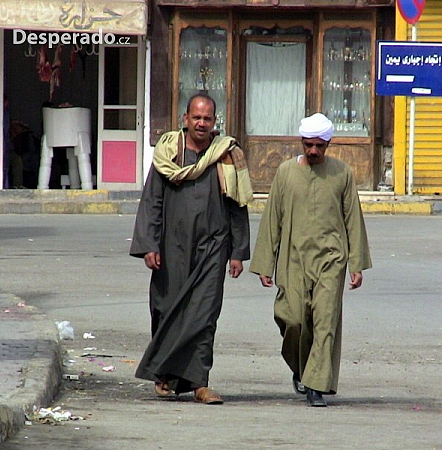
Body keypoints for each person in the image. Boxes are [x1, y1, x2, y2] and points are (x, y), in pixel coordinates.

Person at [130, 93, 252, 405]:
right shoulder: (169, 153)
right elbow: (152, 201)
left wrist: (237, 251)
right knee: (166, 308)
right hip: (172, 246)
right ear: (185, 119)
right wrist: (148, 244)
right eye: (196, 118)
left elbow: (238, 204)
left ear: (215, 122)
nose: (201, 123)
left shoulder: (225, 155)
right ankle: (165, 375)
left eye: (207, 119)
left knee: (205, 314)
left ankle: (200, 383)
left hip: (214, 247)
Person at [249, 112, 372, 407]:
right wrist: (266, 263)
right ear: (301, 143)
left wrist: (356, 263)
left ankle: (316, 386)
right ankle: (301, 368)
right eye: (308, 145)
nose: (313, 151)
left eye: (319, 145)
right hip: (293, 259)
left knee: (325, 322)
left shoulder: (341, 173)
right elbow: (272, 219)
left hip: (331, 260)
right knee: (292, 320)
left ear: (328, 144)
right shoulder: (285, 173)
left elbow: (352, 219)